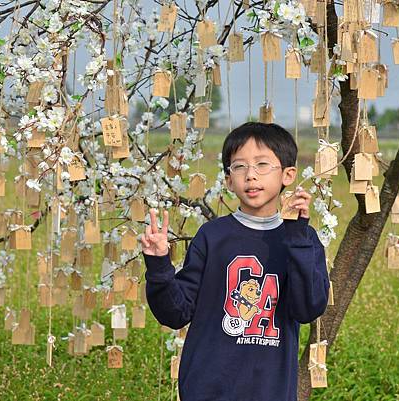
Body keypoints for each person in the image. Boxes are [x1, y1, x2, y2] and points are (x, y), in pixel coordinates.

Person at [140, 122, 330, 401]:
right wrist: (159, 265)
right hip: (206, 390)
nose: (251, 176)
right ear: (229, 180)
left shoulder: (303, 239)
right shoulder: (213, 236)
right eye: (239, 167)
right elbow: (175, 313)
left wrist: (297, 235)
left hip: (271, 391)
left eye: (263, 164)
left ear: (288, 174)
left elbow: (308, 308)